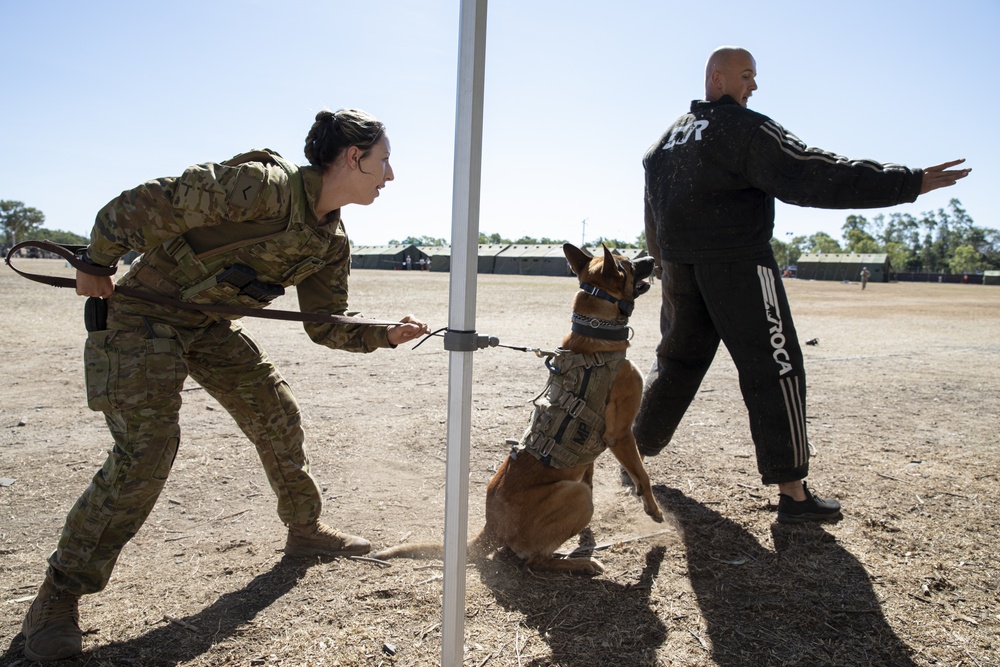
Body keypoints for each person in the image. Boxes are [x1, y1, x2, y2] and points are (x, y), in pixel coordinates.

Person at [20, 108, 430, 662]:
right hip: (142, 315)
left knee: (276, 413)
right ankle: (58, 595)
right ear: (353, 158)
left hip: (206, 326)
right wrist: (96, 260)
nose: (390, 175)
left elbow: (324, 325)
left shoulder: (329, 243)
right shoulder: (263, 187)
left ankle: (305, 529)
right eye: (383, 161)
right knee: (147, 449)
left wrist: (384, 334)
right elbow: (146, 202)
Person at [633, 46, 969, 525]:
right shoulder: (745, 129)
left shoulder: (662, 144)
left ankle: (633, 457)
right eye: (747, 75)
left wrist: (667, 267)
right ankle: (793, 493)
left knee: (675, 365)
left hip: (682, 272)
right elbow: (811, 171)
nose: (754, 85)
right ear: (717, 77)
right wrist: (907, 182)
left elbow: (653, 217)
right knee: (777, 367)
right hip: (741, 267)